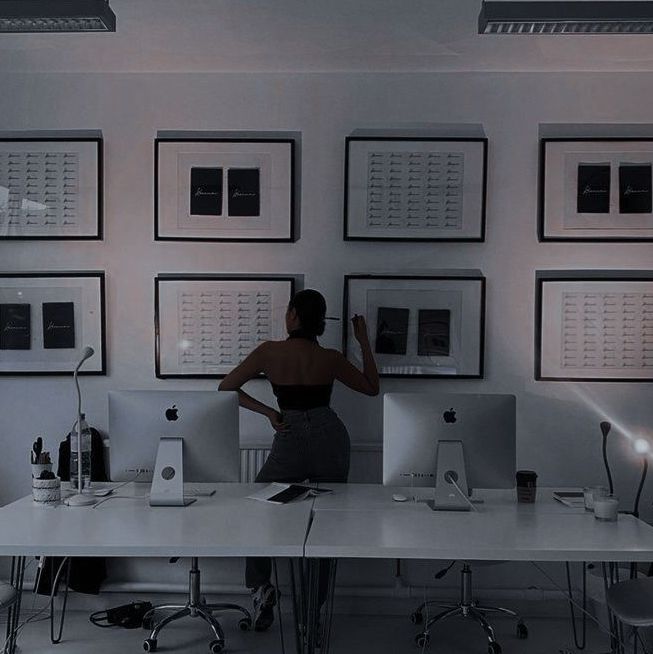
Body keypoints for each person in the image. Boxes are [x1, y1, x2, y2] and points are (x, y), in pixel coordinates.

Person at [218, 288, 379, 631]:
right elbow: (371, 387)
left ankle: (261, 587)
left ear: (292, 315)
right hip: (329, 436)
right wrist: (363, 342)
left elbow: (226, 387)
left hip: (289, 434)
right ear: (320, 322)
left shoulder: (269, 352)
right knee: (326, 524)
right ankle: (311, 612)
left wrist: (267, 412)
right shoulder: (331, 358)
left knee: (258, 507)